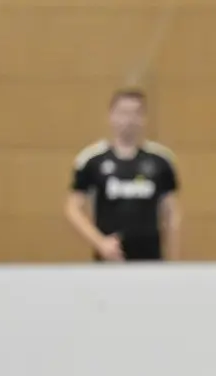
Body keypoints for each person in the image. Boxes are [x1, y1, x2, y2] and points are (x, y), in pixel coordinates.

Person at [65, 88, 181, 262]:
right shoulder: (92, 160)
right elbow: (72, 208)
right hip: (110, 261)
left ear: (144, 118)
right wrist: (100, 243)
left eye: (136, 113)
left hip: (151, 260)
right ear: (111, 116)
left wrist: (175, 260)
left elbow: (172, 213)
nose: (129, 120)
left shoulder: (161, 161)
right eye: (123, 113)